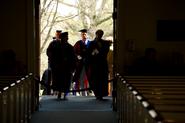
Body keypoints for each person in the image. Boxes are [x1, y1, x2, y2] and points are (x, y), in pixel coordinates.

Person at [46, 32, 76, 100]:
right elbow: (49, 52)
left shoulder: (69, 47)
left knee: (66, 81)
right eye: (65, 37)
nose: (67, 38)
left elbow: (73, 58)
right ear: (61, 38)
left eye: (67, 37)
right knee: (58, 81)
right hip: (57, 67)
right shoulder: (54, 44)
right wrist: (52, 61)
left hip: (66, 68)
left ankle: (64, 94)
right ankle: (59, 93)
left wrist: (72, 67)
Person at [87, 29, 112, 100]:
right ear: (96, 34)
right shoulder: (92, 43)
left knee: (102, 79)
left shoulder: (104, 43)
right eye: (99, 34)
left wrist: (99, 51)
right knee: (95, 79)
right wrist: (96, 53)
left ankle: (101, 93)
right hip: (95, 64)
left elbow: (105, 51)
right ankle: (97, 93)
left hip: (102, 64)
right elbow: (89, 53)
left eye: (101, 34)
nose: (100, 35)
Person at [73, 29, 91, 96]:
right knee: (81, 78)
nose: (84, 35)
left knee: (88, 78)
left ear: (87, 35)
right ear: (81, 35)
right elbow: (73, 52)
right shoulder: (78, 43)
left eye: (85, 34)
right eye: (82, 34)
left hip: (88, 64)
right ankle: (83, 92)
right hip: (80, 64)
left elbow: (94, 52)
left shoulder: (90, 43)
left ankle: (88, 92)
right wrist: (77, 56)